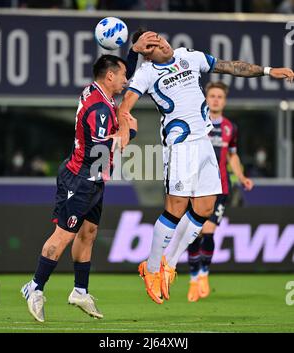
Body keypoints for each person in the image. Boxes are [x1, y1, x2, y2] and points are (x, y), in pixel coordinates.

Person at [116, 29, 294, 305]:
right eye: (150, 44)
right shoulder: (147, 74)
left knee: (205, 209)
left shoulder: (190, 57)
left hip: (204, 145)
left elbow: (232, 66)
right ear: (145, 53)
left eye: (158, 37)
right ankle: (150, 269)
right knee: (175, 208)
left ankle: (170, 264)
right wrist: (125, 127)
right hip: (181, 147)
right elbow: (124, 105)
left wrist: (269, 70)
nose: (160, 42)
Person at [20, 54, 137, 323]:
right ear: (109, 76)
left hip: (94, 178)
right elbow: (102, 150)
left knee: (89, 232)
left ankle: (80, 291)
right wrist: (131, 132)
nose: (126, 79)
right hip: (81, 178)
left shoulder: (96, 91)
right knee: (63, 235)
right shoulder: (100, 109)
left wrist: (133, 51)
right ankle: (34, 287)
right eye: (122, 75)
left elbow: (120, 71)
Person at [184, 81, 254, 302]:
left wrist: (241, 177)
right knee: (194, 234)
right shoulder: (196, 123)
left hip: (221, 186)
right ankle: (194, 278)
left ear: (224, 100)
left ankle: (203, 274)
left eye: (219, 97)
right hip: (194, 186)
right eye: (212, 96)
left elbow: (232, 155)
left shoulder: (229, 128)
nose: (215, 99)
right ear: (206, 98)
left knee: (209, 231)